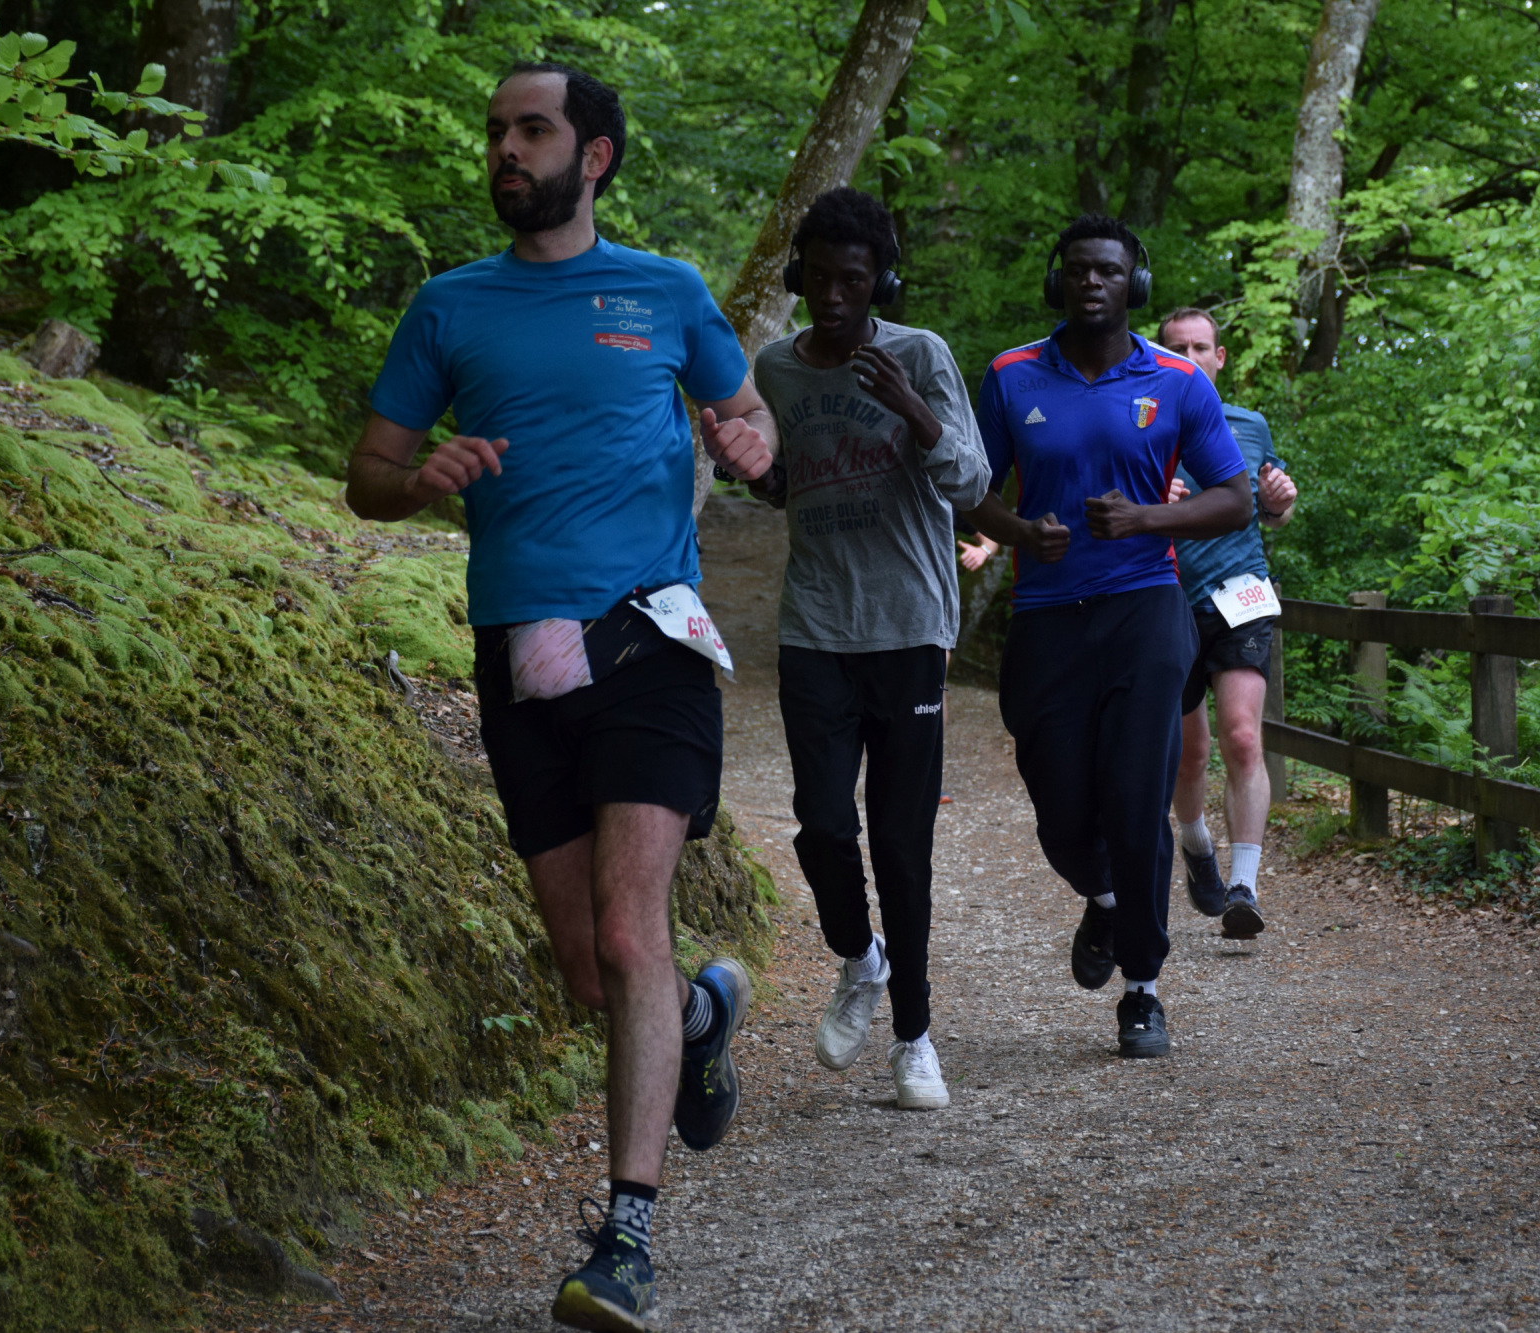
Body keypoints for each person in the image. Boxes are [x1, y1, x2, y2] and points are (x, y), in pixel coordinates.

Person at [343, 63, 774, 1333]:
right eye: (495, 132)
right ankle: (701, 1014)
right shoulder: (448, 306)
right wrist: (420, 477)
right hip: (521, 659)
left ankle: (623, 1240)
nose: (504, 150)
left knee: (630, 929)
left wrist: (747, 441)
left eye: (530, 130)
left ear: (593, 157)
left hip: (650, 641)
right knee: (591, 968)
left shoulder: (666, 291)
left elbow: (745, 414)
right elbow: (366, 474)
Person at [965, 215, 1252, 1058]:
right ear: (1058, 280)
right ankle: (1107, 898)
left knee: (1135, 797)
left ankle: (1143, 990)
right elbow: (969, 490)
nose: (1093, 281)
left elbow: (1234, 498)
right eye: (1079, 269)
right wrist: (1021, 532)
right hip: (1047, 612)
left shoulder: (1178, 380)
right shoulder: (1011, 374)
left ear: (1136, 284)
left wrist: (1146, 518)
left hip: (1144, 607)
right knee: (1058, 805)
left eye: (1110, 270)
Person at [749, 187, 990, 1110]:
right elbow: (790, 485)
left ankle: (915, 1036)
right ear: (798, 277)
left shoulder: (919, 355)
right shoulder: (777, 367)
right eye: (818, 279)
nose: (834, 296)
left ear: (881, 280)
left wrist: (910, 407)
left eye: (853, 280)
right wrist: (753, 468)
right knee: (820, 821)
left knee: (899, 841)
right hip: (814, 624)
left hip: (909, 626)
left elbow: (970, 480)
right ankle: (860, 958)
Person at [1156, 308, 1298, 941]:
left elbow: (1273, 510)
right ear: (1160, 356)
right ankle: (1196, 846)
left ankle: (1244, 887)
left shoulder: (1249, 424)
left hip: (1240, 594)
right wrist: (1151, 503)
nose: (1189, 357)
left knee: (1242, 736)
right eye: (1177, 348)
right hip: (1166, 599)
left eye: (1200, 347)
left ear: (1219, 357)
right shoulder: (1142, 425)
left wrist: (1278, 503)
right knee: (1190, 754)